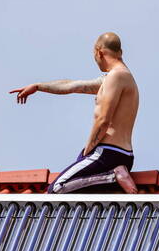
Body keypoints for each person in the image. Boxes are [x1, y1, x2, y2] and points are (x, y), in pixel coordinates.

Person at [9, 32, 139, 194]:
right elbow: (72, 85)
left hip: (107, 153)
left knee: (56, 189)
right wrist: (38, 86)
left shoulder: (115, 77)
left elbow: (103, 120)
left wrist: (88, 151)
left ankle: (113, 176)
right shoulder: (122, 78)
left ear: (99, 52)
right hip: (125, 155)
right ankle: (112, 177)